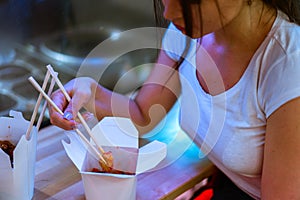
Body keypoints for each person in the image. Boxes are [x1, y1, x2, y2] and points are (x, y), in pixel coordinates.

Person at [49, 0, 300, 199]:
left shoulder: (288, 65)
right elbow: (144, 115)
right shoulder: (191, 29)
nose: (169, 12)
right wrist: (91, 94)